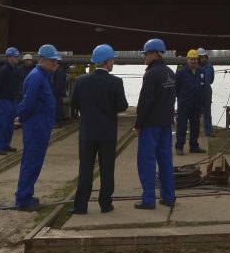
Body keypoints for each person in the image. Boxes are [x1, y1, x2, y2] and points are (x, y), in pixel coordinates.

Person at [71, 44, 128, 215]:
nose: (113, 63)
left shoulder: (81, 81)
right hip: (107, 134)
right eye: (112, 60)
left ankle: (80, 206)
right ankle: (105, 204)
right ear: (107, 61)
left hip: (87, 134)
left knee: (85, 170)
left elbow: (74, 105)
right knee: (107, 170)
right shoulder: (116, 82)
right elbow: (122, 106)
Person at [15, 45, 60, 211]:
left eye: (56, 61)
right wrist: (23, 117)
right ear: (42, 60)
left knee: (34, 161)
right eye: (52, 61)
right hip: (36, 124)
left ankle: (25, 194)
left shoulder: (43, 75)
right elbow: (28, 102)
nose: (55, 63)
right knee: (31, 161)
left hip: (41, 123)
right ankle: (24, 199)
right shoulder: (37, 77)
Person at [134, 38, 177, 210]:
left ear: (153, 53)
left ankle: (148, 200)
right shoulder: (170, 73)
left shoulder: (151, 74)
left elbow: (145, 102)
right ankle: (168, 197)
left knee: (146, 161)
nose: (144, 57)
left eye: (146, 54)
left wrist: (138, 124)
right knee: (166, 160)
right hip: (166, 124)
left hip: (151, 125)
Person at [175, 49, 206, 155]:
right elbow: (176, 88)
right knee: (181, 126)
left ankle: (194, 146)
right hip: (184, 104)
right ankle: (179, 147)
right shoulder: (181, 73)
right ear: (188, 60)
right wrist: (180, 99)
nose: (193, 61)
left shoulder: (201, 72)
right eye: (191, 59)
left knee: (195, 127)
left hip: (197, 104)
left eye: (195, 59)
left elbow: (203, 86)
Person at [0, 47, 21, 154]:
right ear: (9, 57)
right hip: (4, 100)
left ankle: (5, 144)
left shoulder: (14, 69)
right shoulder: (4, 70)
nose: (17, 58)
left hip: (12, 100)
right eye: (15, 56)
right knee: (1, 124)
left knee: (9, 124)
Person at [197, 48, 216, 137]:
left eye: (204, 57)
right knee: (196, 111)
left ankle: (208, 130)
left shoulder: (210, 66)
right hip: (197, 91)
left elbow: (212, 79)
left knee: (207, 111)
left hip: (207, 90)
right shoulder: (195, 66)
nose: (203, 59)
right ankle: (195, 130)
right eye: (201, 57)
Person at [52, 58, 70, 125]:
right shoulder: (59, 70)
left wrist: (54, 92)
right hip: (57, 92)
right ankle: (58, 121)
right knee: (58, 106)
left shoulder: (59, 71)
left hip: (57, 93)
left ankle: (58, 122)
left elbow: (59, 83)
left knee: (57, 107)